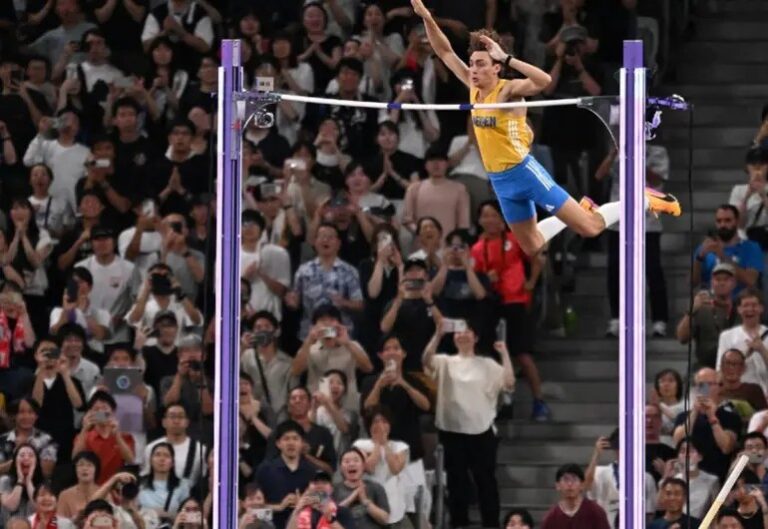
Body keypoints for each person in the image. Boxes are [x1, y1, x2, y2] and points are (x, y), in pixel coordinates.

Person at [410, 0, 680, 257]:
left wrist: (507, 58)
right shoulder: (473, 87)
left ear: (496, 68)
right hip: (501, 182)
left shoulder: (508, 91)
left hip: (524, 172)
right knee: (532, 245)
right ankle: (579, 209)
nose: (473, 69)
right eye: (471, 64)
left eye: (480, 64)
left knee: (590, 228)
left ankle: (643, 200)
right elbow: (445, 51)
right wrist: (426, 17)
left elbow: (543, 80)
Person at [422, 319, 515, 528]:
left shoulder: (487, 364)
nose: (462, 335)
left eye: (468, 331)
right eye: (459, 332)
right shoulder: (445, 361)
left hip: (481, 432)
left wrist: (505, 353)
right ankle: (459, 523)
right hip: (451, 431)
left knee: (486, 483)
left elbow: (508, 382)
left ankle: (491, 524)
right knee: (456, 483)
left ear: (476, 337)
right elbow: (426, 361)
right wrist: (437, 335)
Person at [672, 368, 741, 481]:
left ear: (719, 387)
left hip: (718, 476)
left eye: (710, 384)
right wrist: (695, 412)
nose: (705, 389)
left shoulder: (731, 417)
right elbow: (677, 441)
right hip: (688, 479)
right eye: (701, 384)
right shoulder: (683, 417)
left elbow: (726, 447)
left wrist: (712, 416)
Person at [255, 421, 317, 529]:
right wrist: (279, 507)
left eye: (295, 438)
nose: (291, 443)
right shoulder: (265, 470)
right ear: (278, 443)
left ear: (302, 443)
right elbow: (254, 511)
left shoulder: (311, 471)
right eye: (286, 439)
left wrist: (304, 503)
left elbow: (323, 505)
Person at [676, 263, 739, 369]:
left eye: (726, 279)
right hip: (706, 368)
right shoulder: (701, 308)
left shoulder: (743, 308)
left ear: (733, 283)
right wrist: (691, 311)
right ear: (712, 283)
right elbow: (682, 338)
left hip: (736, 368)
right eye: (718, 279)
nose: (722, 283)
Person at [72, 390, 136, 484]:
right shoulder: (84, 436)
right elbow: (75, 457)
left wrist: (117, 436)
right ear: (90, 413)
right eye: (96, 409)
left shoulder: (125, 436)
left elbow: (130, 460)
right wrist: (84, 429)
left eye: (104, 408)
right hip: (91, 486)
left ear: (113, 412)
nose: (101, 412)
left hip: (116, 486)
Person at [333, 448, 390, 529]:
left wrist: (364, 501)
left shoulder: (376, 487)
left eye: (356, 460)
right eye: (346, 461)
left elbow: (385, 519)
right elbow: (329, 518)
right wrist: (352, 498)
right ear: (341, 468)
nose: (351, 464)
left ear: (363, 466)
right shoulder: (334, 490)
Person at [539, 464, 610, 529]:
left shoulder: (595, 512)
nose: (570, 484)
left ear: (582, 485)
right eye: (566, 479)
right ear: (558, 485)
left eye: (574, 479)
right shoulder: (551, 517)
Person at [138, 442, 191, 519]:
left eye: (167, 456)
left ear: (172, 462)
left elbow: (187, 514)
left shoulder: (182, 485)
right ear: (150, 460)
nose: (162, 459)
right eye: (157, 455)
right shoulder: (140, 483)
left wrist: (167, 515)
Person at [285, 470, 355, 529]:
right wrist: (296, 511)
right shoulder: (299, 511)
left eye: (324, 483)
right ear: (308, 488)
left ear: (331, 489)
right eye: (315, 483)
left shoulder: (342, 511)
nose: (320, 486)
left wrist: (330, 519)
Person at [0, 443, 44, 524]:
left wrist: (28, 481)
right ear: (15, 461)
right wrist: (20, 480)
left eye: (31, 455)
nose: (26, 458)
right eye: (22, 455)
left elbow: (38, 507)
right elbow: (11, 506)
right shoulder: (5, 481)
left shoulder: (43, 485)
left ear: (36, 462)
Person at [57, 451, 100, 520]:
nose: (85, 468)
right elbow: (60, 523)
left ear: (96, 469)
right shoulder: (64, 495)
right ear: (75, 469)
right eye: (81, 465)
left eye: (89, 465)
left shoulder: (105, 492)